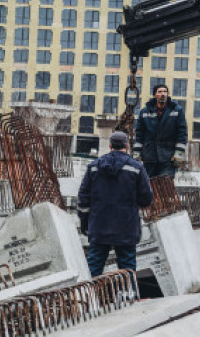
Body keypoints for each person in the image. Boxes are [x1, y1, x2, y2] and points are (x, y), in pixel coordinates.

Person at [78, 131, 154, 277]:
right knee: (127, 268)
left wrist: (85, 221)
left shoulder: (94, 167)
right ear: (127, 145)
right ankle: (129, 297)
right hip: (126, 226)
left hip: (99, 225)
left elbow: (83, 198)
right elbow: (146, 199)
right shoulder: (136, 168)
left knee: (93, 267)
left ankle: (89, 297)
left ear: (110, 145)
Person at [132, 83, 188, 177]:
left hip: (168, 157)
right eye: (160, 92)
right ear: (155, 95)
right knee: (149, 185)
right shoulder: (145, 112)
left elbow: (182, 132)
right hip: (149, 157)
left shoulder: (176, 110)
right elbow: (139, 133)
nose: (163, 94)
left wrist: (179, 153)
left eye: (165, 92)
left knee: (165, 185)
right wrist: (137, 152)